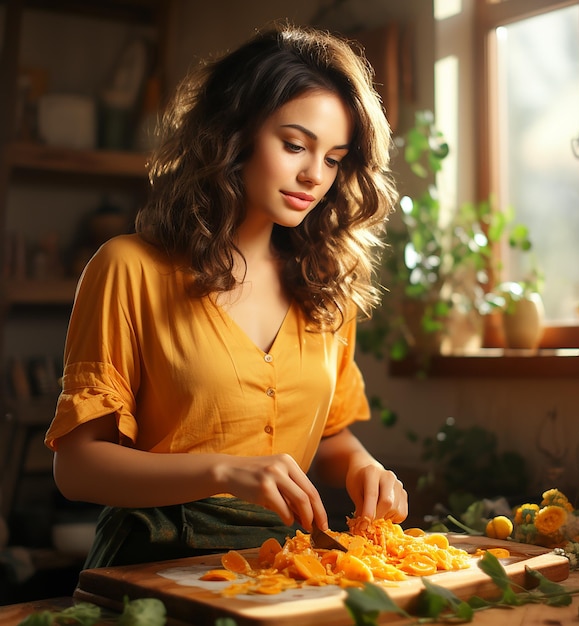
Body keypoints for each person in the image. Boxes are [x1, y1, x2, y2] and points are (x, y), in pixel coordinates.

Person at [44, 22, 406, 569]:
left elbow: (330, 435)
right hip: (150, 563)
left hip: (279, 567)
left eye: (333, 158)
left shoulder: (328, 286)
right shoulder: (128, 268)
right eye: (294, 145)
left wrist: (363, 469)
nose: (314, 175)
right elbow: (76, 469)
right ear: (233, 135)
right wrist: (223, 470)